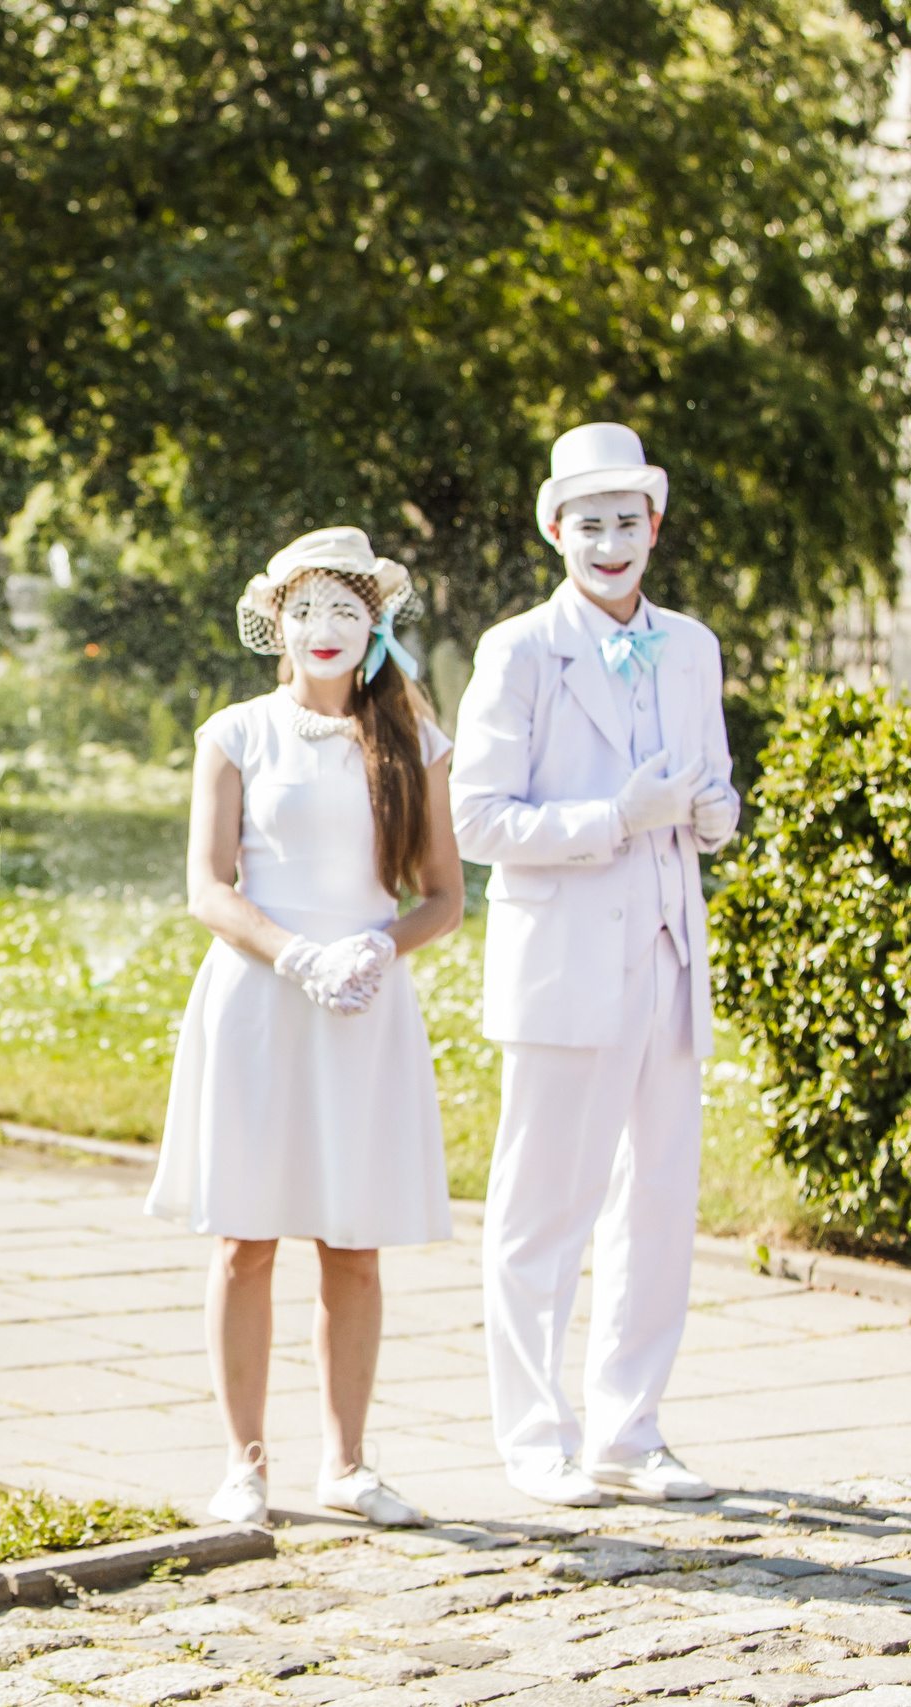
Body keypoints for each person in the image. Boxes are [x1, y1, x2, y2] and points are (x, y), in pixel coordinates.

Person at [148, 527, 462, 1531]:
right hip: (259, 1000)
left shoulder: (413, 737)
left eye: (345, 609)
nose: (324, 629)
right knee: (246, 1239)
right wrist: (295, 955)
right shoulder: (234, 732)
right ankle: (244, 1466)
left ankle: (348, 1462)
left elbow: (443, 897)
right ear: (273, 622)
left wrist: (378, 948)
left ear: (374, 624)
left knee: (353, 1242)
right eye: (305, 610)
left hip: (363, 1010)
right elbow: (206, 888)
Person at [450, 423, 737, 1509]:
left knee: (657, 1203)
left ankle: (630, 1429)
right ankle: (534, 1436)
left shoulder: (693, 646)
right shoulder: (519, 650)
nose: (610, 542)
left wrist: (711, 816)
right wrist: (611, 819)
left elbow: (705, 782)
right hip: (565, 960)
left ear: (654, 527)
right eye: (589, 524)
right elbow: (477, 818)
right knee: (543, 1207)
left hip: (667, 959)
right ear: (555, 530)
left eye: (629, 521)